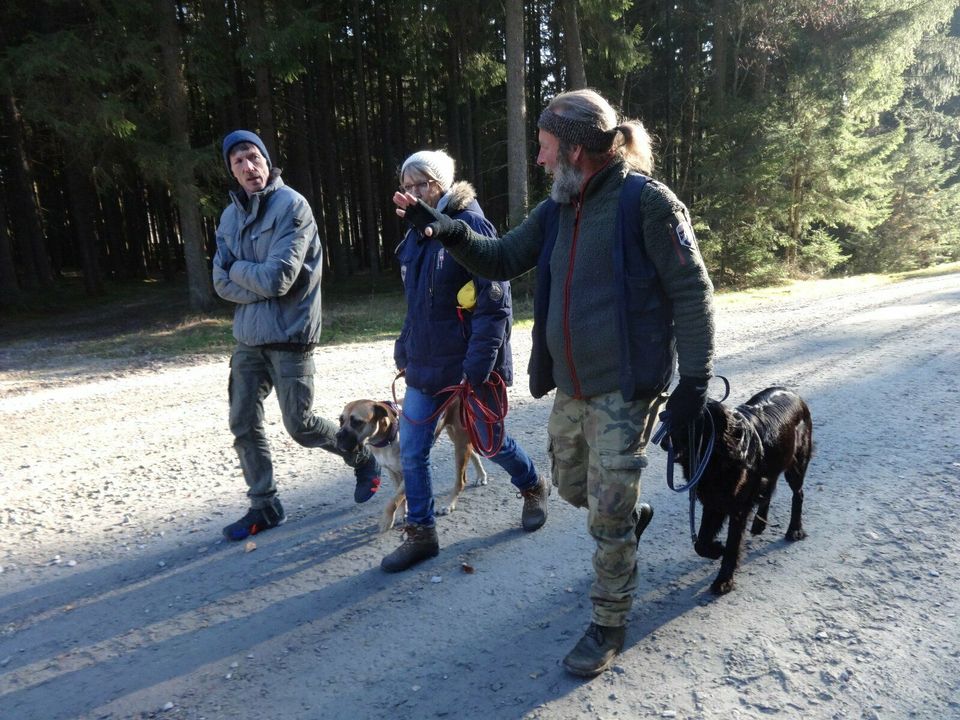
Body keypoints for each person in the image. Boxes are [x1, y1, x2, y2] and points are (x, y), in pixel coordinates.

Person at [394, 90, 715, 677]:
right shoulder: (557, 210)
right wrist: (440, 229)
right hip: (572, 385)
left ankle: (609, 620)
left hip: (627, 387)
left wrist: (693, 381)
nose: (539, 160)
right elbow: (499, 258)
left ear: (574, 149)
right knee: (572, 488)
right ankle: (627, 517)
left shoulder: (648, 204)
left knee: (607, 514)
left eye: (543, 148)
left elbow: (693, 293)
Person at [382, 149, 549, 573]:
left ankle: (533, 485)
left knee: (490, 443)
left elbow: (496, 305)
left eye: (424, 184)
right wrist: (406, 343)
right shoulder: (416, 232)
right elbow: (418, 302)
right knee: (414, 450)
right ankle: (422, 532)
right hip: (425, 364)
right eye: (408, 186)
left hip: (470, 367)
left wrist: (479, 366)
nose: (415, 192)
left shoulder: (469, 224)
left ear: (443, 184)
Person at [212, 129, 382, 542]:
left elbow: (278, 278)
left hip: (290, 334)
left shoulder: (292, 206)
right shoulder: (229, 216)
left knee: (301, 425)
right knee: (242, 422)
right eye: (238, 162)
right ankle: (264, 505)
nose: (248, 166)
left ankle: (361, 458)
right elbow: (218, 282)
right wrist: (238, 275)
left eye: (254, 157)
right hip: (249, 338)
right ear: (231, 171)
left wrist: (237, 271)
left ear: (267, 161)